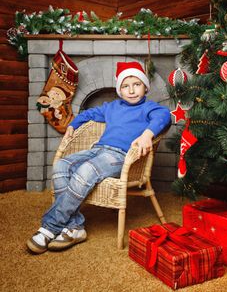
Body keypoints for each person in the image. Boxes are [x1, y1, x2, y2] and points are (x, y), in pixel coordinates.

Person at [27, 61, 171, 254]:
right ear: (119, 89)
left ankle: (50, 227)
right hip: (98, 149)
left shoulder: (150, 108)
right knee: (62, 165)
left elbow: (164, 116)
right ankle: (75, 228)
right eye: (125, 86)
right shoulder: (112, 107)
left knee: (86, 169)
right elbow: (89, 113)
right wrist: (73, 125)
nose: (131, 90)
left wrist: (147, 134)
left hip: (121, 156)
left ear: (145, 87)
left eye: (136, 84)